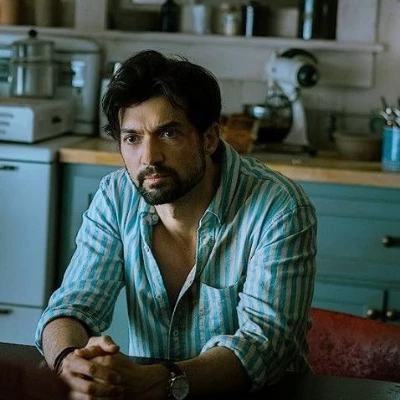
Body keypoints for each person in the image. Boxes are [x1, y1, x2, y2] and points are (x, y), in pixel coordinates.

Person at [35, 49, 317, 400]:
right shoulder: (115, 196)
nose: (149, 157)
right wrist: (69, 364)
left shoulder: (279, 207)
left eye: (168, 134)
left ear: (209, 138)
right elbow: (71, 306)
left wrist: (161, 381)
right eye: (132, 138)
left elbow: (265, 345)